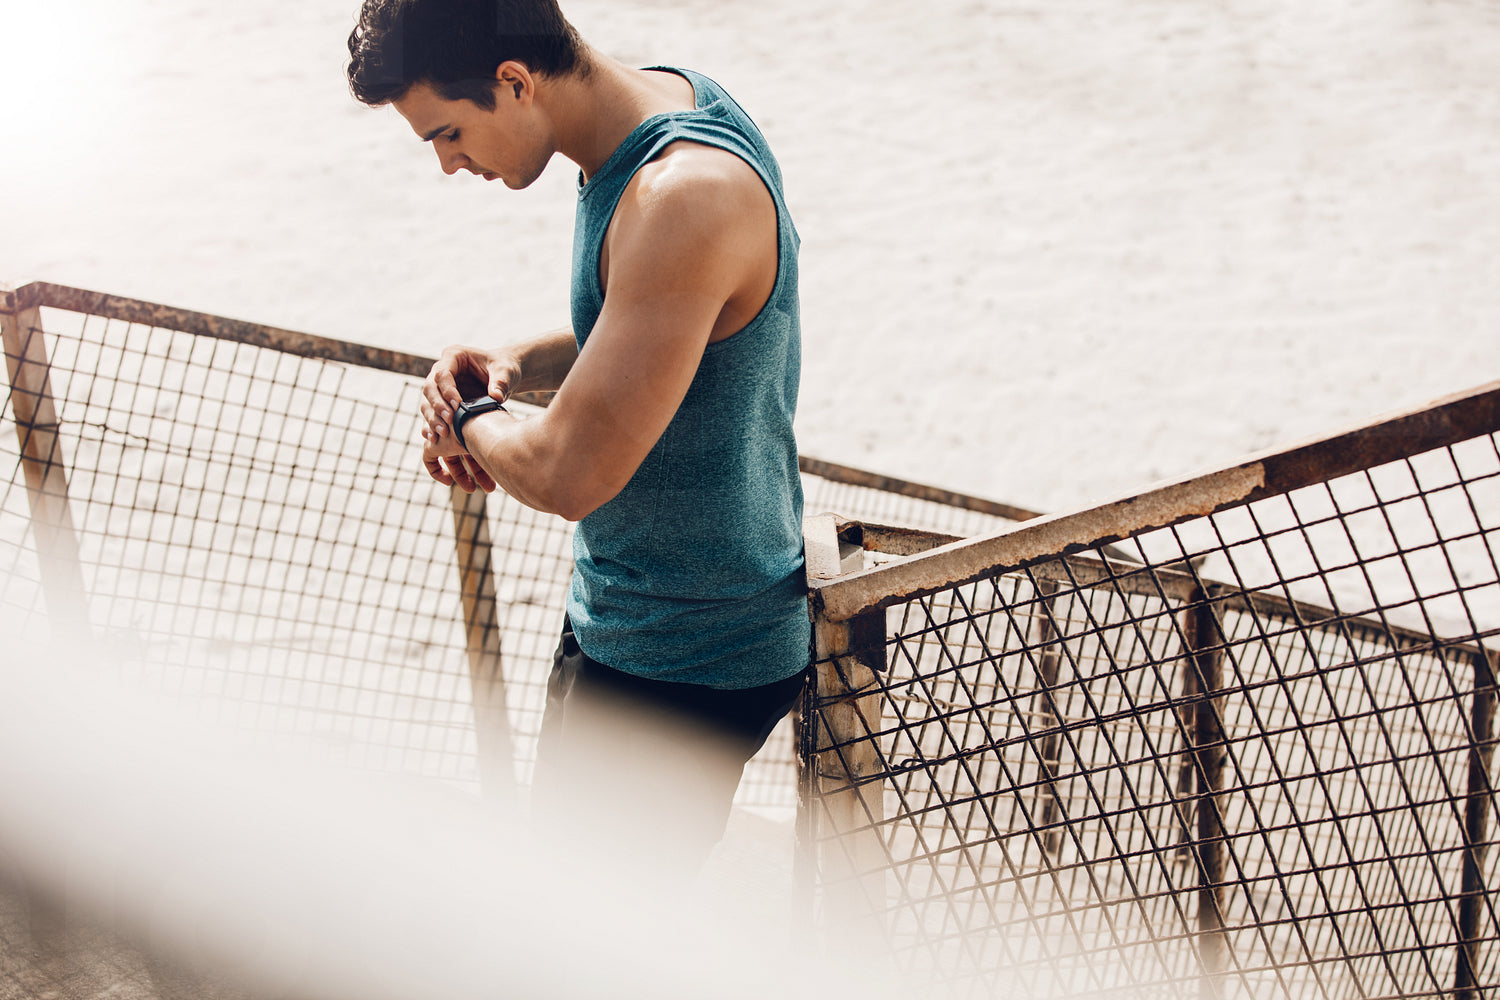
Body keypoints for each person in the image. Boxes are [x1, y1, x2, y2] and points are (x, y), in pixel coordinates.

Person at [347, 0, 810, 870]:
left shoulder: (683, 193)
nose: (448, 164)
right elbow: (658, 319)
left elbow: (568, 473)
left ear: (513, 82)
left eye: (448, 133)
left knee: (591, 927)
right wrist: (515, 363)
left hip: (684, 655)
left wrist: (467, 420)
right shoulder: (665, 107)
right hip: (631, 614)